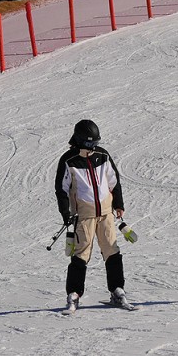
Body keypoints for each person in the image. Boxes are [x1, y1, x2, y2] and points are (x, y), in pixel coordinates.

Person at [55, 120, 129, 312]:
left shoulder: (102, 155)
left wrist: (118, 204)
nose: (93, 147)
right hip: (84, 214)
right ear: (79, 141)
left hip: (105, 213)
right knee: (81, 254)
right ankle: (74, 294)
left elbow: (114, 181)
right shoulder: (69, 160)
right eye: (89, 144)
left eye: (95, 143)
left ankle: (117, 290)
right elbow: (61, 190)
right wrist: (66, 213)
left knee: (112, 250)